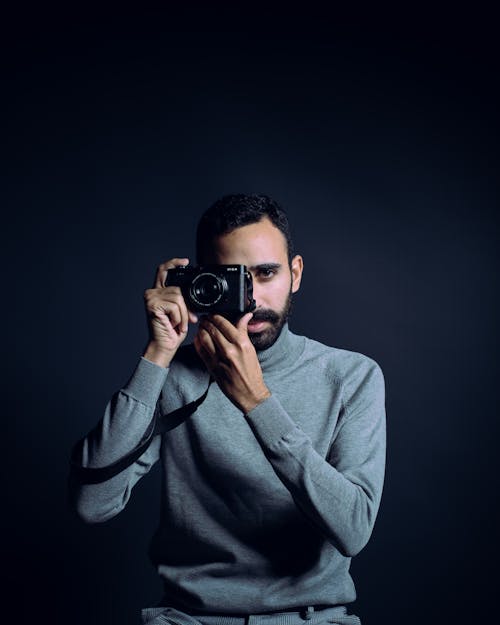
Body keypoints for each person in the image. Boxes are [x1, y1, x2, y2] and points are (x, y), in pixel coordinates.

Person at [70, 194, 386, 625]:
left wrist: (258, 403)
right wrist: (158, 354)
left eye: (266, 273)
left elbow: (353, 530)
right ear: (200, 280)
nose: (251, 297)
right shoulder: (176, 375)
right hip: (191, 619)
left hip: (311, 619)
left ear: (295, 274)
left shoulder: (353, 376)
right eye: (232, 278)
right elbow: (92, 504)